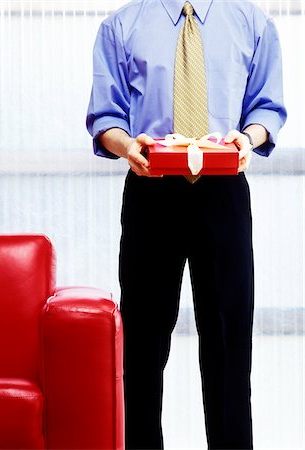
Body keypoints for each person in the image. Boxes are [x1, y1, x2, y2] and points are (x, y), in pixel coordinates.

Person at [86, 1, 287, 449]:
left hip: (224, 191)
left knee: (229, 345)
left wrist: (247, 137)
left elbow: (266, 108)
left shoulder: (252, 23)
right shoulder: (121, 26)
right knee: (143, 343)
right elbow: (106, 117)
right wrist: (126, 144)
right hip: (151, 189)